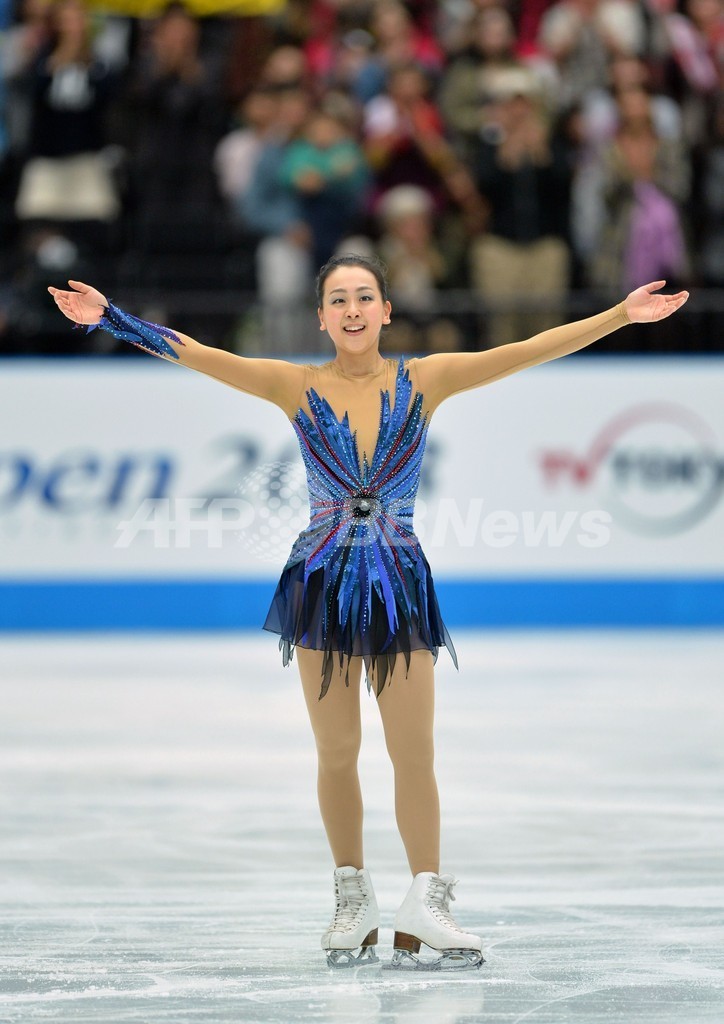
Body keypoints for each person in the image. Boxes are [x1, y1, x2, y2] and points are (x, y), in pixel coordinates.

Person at [48, 255, 688, 971]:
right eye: (338, 300)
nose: (351, 310)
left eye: (363, 297)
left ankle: (426, 902)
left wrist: (620, 314)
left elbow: (527, 350)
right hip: (320, 583)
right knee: (337, 750)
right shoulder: (296, 386)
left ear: (386, 310)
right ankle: (353, 899)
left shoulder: (426, 380)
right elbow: (199, 354)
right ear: (321, 317)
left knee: (414, 752)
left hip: (399, 583)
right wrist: (111, 318)